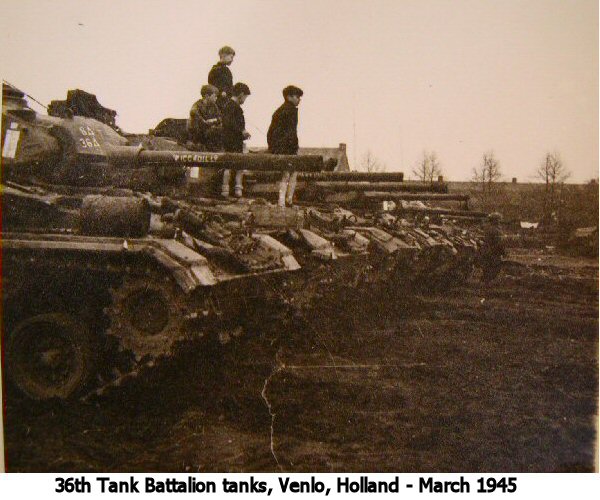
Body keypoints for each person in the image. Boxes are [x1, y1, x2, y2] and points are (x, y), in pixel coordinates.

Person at [267, 85, 303, 155]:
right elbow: (291, 132)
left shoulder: (280, 110)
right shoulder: (290, 110)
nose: (299, 99)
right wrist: (294, 148)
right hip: (285, 150)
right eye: (297, 97)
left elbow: (271, 133)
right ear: (289, 97)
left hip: (276, 149)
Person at [187, 84, 222, 151]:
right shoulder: (198, 105)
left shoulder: (214, 106)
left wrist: (214, 120)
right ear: (207, 96)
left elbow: (220, 117)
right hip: (198, 131)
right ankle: (196, 144)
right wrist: (204, 121)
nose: (216, 98)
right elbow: (193, 113)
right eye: (215, 96)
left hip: (207, 129)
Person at [221, 82, 251, 153]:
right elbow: (229, 123)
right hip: (232, 144)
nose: (244, 100)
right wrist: (242, 131)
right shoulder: (234, 107)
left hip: (230, 142)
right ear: (241, 94)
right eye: (245, 97)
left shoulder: (229, 105)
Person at [480, 212, 505, 282]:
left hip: (487, 250)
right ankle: (487, 283)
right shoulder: (496, 230)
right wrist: (503, 252)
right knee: (494, 267)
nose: (500, 221)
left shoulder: (487, 228)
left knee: (487, 268)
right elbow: (499, 243)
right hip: (493, 251)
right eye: (498, 220)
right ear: (495, 220)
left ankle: (484, 282)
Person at [208, 46, 235, 110]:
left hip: (226, 101)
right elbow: (211, 87)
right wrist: (222, 93)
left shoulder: (226, 70)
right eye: (231, 57)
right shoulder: (215, 70)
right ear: (223, 55)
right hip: (219, 103)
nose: (232, 60)